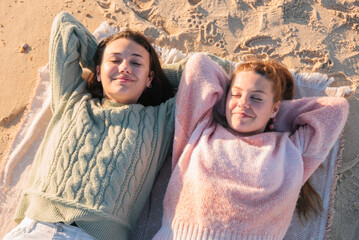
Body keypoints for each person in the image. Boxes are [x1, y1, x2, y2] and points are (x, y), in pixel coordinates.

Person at [3, 11, 194, 240]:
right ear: (97, 71)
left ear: (150, 79)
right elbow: (65, 25)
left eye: (136, 63)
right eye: (115, 60)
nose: (125, 67)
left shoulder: (159, 121)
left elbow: (203, 69)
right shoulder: (72, 98)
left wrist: (151, 75)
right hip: (35, 229)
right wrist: (105, 62)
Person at [153, 53, 349, 239]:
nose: (243, 103)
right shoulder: (200, 131)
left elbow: (336, 109)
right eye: (236, 94)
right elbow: (199, 65)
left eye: (256, 98)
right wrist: (231, 108)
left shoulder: (291, 150)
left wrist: (275, 116)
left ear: (275, 107)